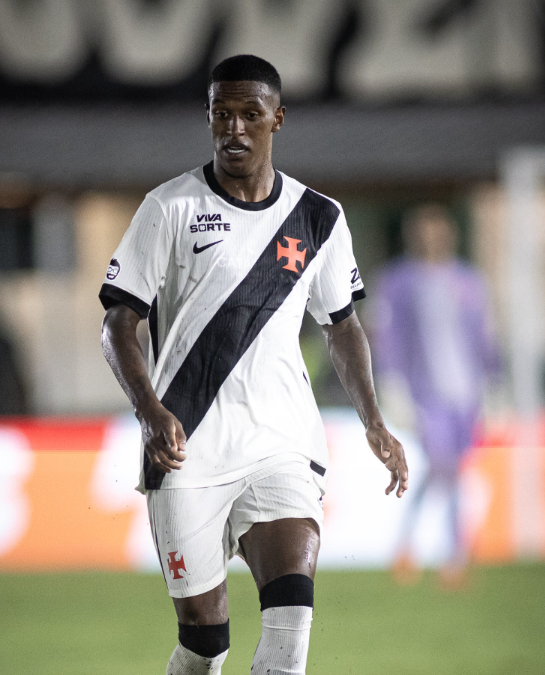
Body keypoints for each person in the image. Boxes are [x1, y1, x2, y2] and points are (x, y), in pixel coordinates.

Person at [99, 55, 408, 675]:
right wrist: (149, 409)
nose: (233, 128)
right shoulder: (169, 209)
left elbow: (342, 325)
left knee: (291, 625)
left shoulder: (320, 218)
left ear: (277, 119)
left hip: (281, 441)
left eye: (248, 114)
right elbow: (117, 323)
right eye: (221, 114)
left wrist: (372, 418)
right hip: (185, 446)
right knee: (205, 645)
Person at [372, 204, 499, 589]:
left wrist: (494, 382)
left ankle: (414, 546)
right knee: (445, 464)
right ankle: (452, 555)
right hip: (425, 392)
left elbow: (485, 334)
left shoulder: (467, 280)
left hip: (466, 392)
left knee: (452, 469)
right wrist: (392, 384)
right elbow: (386, 335)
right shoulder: (397, 281)